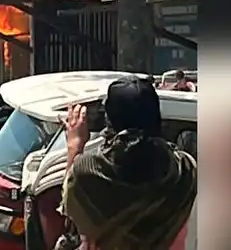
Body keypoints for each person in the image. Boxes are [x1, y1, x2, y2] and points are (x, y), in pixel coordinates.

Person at [59, 75, 197, 249]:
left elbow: (69, 208)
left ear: (109, 122)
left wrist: (75, 145)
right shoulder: (184, 169)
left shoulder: (88, 172)